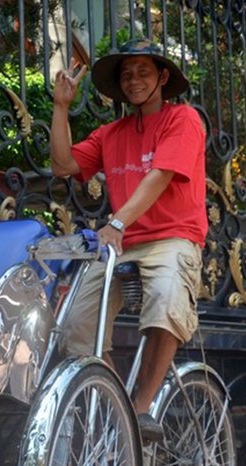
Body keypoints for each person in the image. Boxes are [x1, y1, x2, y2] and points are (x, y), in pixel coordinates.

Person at [48, 39, 207, 441]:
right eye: (126, 73)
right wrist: (61, 106)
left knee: (167, 301)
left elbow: (161, 175)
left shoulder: (183, 119)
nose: (133, 80)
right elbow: (63, 165)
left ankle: (140, 409)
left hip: (172, 237)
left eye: (143, 71)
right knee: (75, 329)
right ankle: (118, 403)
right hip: (122, 243)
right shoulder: (110, 133)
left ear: (162, 77)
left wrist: (117, 222)